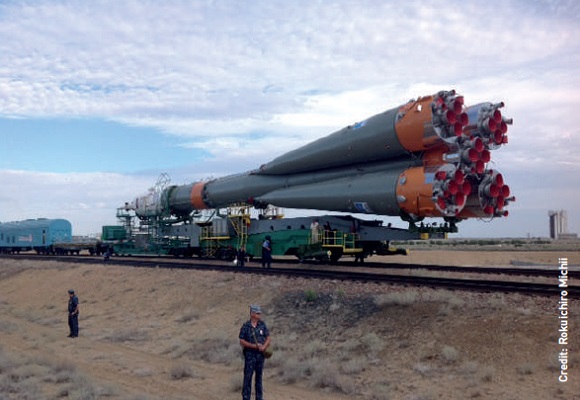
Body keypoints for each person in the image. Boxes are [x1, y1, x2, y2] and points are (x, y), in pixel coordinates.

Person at [239, 305, 271, 400]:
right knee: (248, 378)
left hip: (260, 356)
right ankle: (246, 397)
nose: (259, 314)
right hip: (250, 355)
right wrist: (254, 346)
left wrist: (264, 346)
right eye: (257, 313)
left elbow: (268, 338)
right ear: (252, 314)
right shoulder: (246, 326)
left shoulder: (262, 325)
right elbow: (241, 341)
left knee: (259, 378)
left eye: (260, 313)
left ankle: (259, 397)